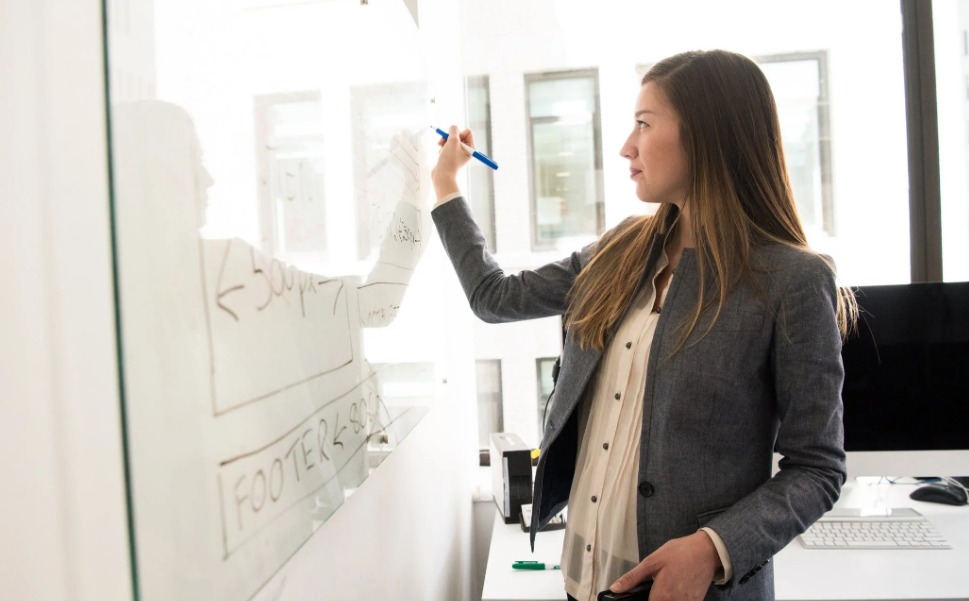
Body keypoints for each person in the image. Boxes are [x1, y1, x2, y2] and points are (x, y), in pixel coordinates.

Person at [430, 50, 856, 601]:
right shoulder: (620, 250)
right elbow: (495, 297)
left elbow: (818, 467)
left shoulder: (790, 279)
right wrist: (446, 187)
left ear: (708, 135)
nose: (626, 147)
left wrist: (712, 547)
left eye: (644, 124)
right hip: (582, 581)